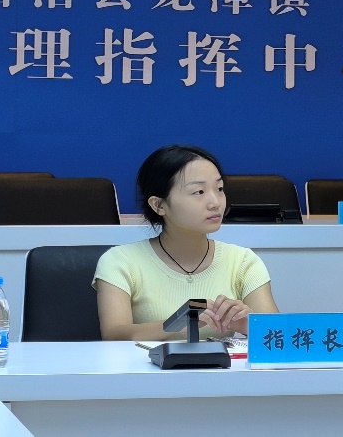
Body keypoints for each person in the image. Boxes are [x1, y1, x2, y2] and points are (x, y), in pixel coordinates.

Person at [94, 144, 279, 341]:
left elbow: (278, 334)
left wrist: (248, 324)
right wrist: (178, 322)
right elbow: (113, 335)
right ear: (159, 205)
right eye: (199, 192)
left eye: (219, 189)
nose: (215, 202)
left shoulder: (243, 261)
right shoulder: (120, 261)